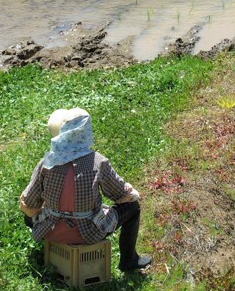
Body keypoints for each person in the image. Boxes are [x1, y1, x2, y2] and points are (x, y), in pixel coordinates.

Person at [19, 107, 151, 272]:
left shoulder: (46, 163)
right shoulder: (97, 162)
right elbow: (120, 194)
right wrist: (131, 192)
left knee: (28, 210)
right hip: (87, 233)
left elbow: (29, 203)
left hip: (50, 230)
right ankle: (129, 260)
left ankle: (49, 253)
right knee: (133, 208)